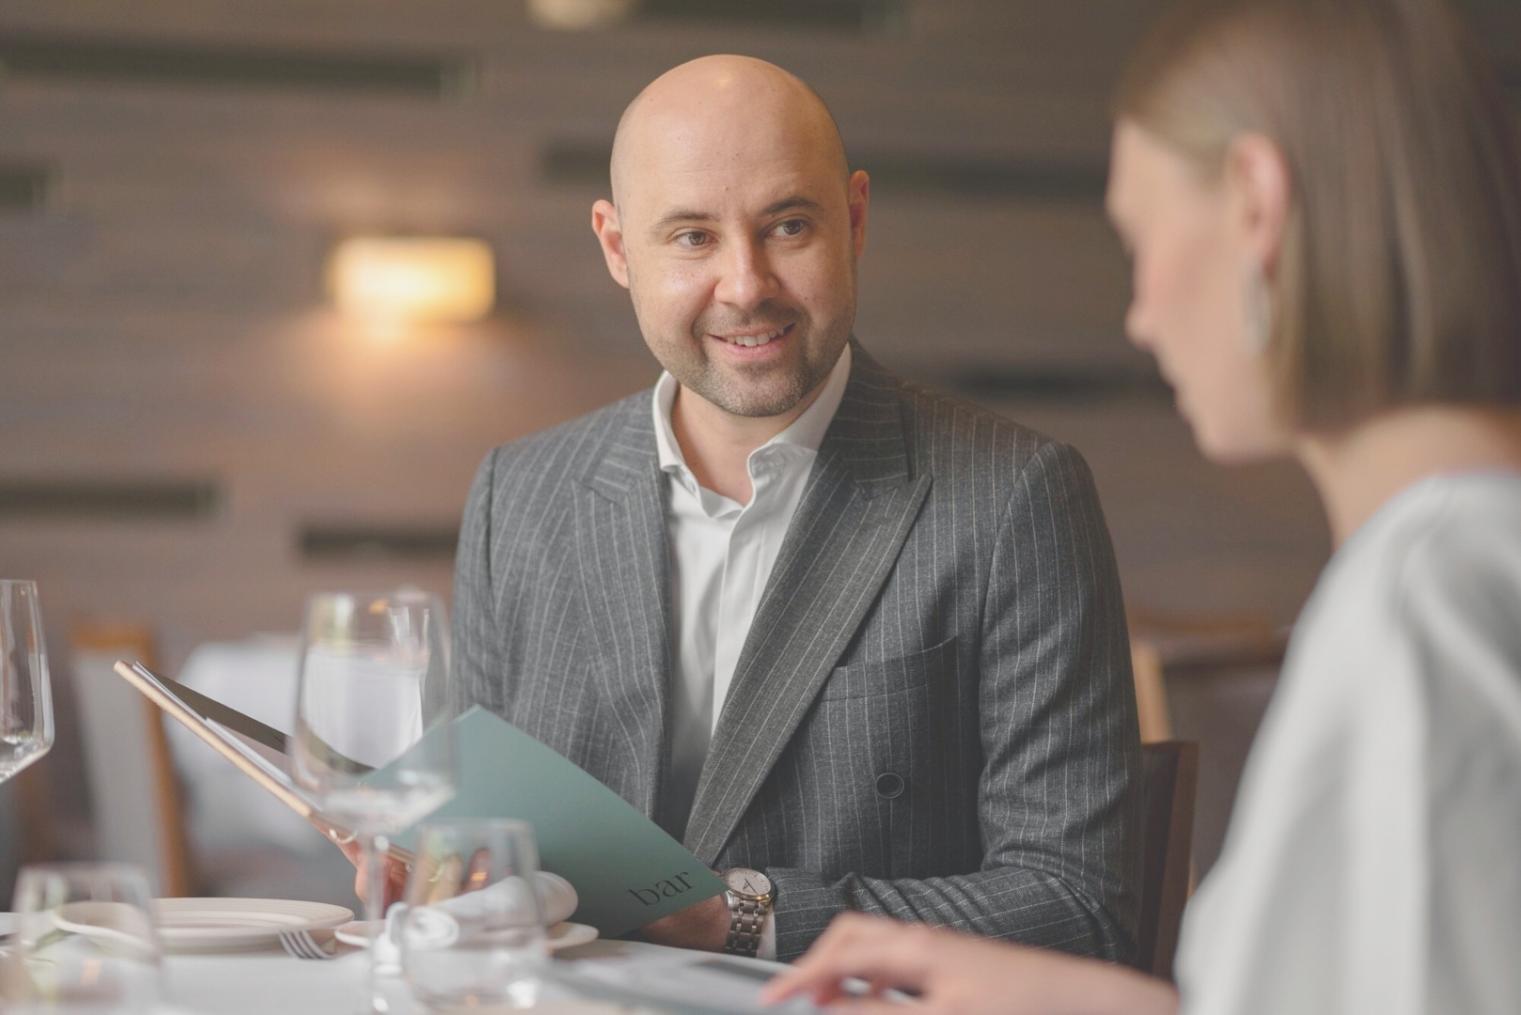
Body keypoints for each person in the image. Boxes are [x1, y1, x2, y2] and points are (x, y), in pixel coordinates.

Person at [765, 0, 1521, 1010]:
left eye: (1142, 238)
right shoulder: (1460, 563)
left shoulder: (1425, 604)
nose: (1141, 314)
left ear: (1256, 205)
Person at [447, 55, 1141, 962]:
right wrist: (435, 867)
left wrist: (733, 912)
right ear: (618, 248)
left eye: (786, 225)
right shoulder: (517, 497)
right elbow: (478, 842)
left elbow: (1077, 903)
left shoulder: (1015, 497)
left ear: (853, 220)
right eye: (691, 237)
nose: (744, 284)